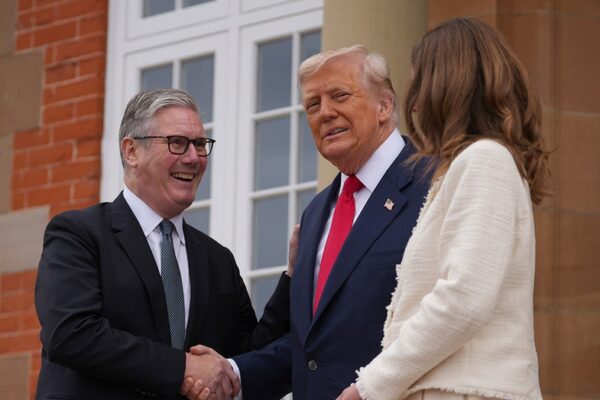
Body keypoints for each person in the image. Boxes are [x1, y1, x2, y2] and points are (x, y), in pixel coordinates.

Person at [197, 45, 430, 400]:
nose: (325, 113)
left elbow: (449, 314)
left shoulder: (434, 182)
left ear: (384, 106)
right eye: (312, 105)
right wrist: (233, 373)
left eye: (340, 95)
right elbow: (311, 346)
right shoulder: (317, 212)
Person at [337, 17, 550, 400]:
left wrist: (368, 387)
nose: (415, 102)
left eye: (420, 81)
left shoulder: (484, 159)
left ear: (446, 85)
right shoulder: (471, 164)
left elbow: (464, 299)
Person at [34, 88, 291, 400]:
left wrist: (294, 278)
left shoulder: (217, 260)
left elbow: (244, 362)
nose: (194, 158)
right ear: (131, 151)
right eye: (177, 142)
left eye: (200, 144)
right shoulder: (79, 234)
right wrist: (183, 368)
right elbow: (71, 334)